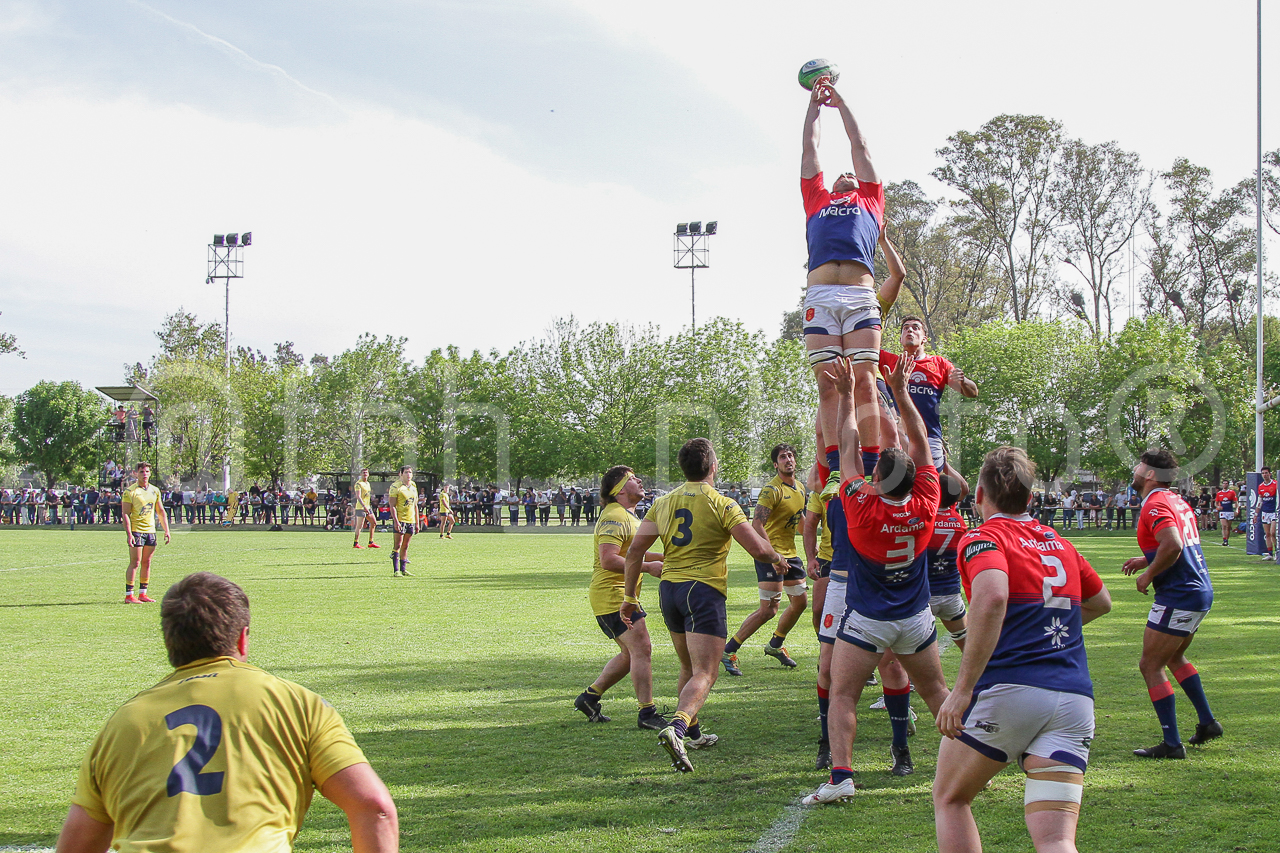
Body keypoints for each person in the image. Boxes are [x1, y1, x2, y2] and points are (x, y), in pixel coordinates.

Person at [55, 572, 398, 853]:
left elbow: (79, 844)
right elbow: (374, 808)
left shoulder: (123, 723)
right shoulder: (296, 704)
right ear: (243, 639)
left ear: (169, 643)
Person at [932, 446, 1112, 853]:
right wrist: (1044, 632)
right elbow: (1101, 603)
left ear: (978, 494)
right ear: (1031, 498)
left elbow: (993, 596)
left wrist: (961, 691)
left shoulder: (983, 537)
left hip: (1009, 691)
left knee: (951, 799)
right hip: (1074, 701)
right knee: (1056, 840)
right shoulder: (1060, 542)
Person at [803, 354, 952, 805]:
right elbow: (921, 443)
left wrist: (848, 395)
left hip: (868, 618)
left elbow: (847, 448)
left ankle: (842, 778)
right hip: (915, 619)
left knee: (844, 694)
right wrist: (903, 393)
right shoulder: (926, 502)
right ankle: (967, 757)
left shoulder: (860, 507)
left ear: (876, 482)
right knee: (937, 692)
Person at [620, 438, 785, 772]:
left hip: (669, 590)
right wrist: (778, 558)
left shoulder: (663, 502)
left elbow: (635, 551)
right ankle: (678, 727)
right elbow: (757, 548)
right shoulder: (722, 503)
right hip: (703, 591)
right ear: (713, 466)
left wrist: (628, 598)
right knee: (706, 672)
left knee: (688, 667)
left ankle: (693, 734)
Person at [800, 78, 906, 501]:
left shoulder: (871, 200)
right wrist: (813, 108)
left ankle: (869, 463)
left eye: (852, 173)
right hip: (821, 298)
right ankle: (830, 468)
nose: (847, 173)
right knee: (828, 385)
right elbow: (809, 149)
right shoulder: (816, 199)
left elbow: (859, 145)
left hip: (861, 297)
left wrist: (840, 104)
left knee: (865, 381)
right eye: (839, 173)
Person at [1122, 449, 1222, 759]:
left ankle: (1172, 744)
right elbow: (1184, 544)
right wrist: (1147, 559)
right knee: (1174, 656)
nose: (1135, 471)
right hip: (1198, 590)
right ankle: (1207, 723)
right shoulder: (1177, 500)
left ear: (1150, 474)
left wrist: (1148, 574)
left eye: (1139, 466)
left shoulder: (1154, 503)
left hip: (1179, 595)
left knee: (1150, 665)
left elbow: (1175, 544)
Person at [575, 465, 668, 731]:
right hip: (611, 595)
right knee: (642, 649)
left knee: (631, 654)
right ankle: (647, 713)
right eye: (632, 478)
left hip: (617, 595)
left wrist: (663, 557)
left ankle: (589, 698)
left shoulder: (628, 516)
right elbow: (609, 559)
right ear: (619, 489)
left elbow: (634, 552)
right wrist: (649, 568)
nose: (639, 480)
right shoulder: (614, 516)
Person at [723, 444, 808, 675]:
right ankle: (729, 650)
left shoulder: (800, 488)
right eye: (782, 457)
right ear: (775, 464)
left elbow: (799, 518)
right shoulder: (771, 490)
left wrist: (813, 542)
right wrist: (772, 556)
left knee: (800, 603)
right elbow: (757, 524)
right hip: (770, 554)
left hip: (791, 554)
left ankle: (775, 644)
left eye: (791, 455)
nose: (788, 459)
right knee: (769, 610)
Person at [878, 316, 979, 484]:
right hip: (897, 436)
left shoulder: (939, 364)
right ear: (901, 338)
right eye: (905, 328)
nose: (910, 330)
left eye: (916, 327)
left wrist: (963, 380)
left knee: (928, 485)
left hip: (929, 437)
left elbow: (972, 392)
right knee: (895, 485)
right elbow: (863, 349)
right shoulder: (889, 361)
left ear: (924, 338)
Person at [928, 474, 970, 653]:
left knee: (910, 648)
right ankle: (986, 674)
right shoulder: (959, 522)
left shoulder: (925, 518)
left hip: (925, 595)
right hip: (951, 592)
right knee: (967, 644)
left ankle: (912, 681)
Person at [121, 462, 171, 604]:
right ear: (136, 473)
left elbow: (160, 511)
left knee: (147, 562)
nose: (144, 474)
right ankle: (129, 595)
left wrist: (166, 530)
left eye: (147, 471)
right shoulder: (130, 491)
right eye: (142, 471)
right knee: (135, 562)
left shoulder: (155, 490)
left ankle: (143, 593)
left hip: (150, 531)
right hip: (137, 531)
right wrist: (129, 534)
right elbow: (125, 514)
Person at [388, 467, 418, 577]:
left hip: (411, 520)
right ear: (400, 474)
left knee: (406, 546)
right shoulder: (396, 487)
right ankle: (396, 570)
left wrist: (417, 522)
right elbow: (392, 505)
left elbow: (415, 505)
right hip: (401, 519)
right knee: (398, 545)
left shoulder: (413, 486)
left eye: (410, 472)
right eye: (406, 472)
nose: (408, 474)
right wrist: (396, 521)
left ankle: (404, 569)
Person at [352, 469, 379, 549]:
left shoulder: (367, 483)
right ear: (361, 474)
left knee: (373, 523)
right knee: (359, 526)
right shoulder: (358, 484)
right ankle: (355, 543)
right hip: (361, 507)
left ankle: (371, 542)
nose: (365, 474)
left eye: (366, 473)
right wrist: (364, 506)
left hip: (368, 507)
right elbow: (358, 496)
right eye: (363, 473)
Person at [1254, 466, 1276, 560]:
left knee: (1273, 533)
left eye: (1266, 473)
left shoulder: (1275, 484)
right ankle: (1270, 553)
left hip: (1274, 512)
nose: (1265, 475)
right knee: (1267, 534)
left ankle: (1277, 552)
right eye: (1263, 473)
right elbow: (1260, 501)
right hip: (1265, 512)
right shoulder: (1261, 486)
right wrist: (1256, 514)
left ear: (1270, 474)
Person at [1215, 482, 1237, 546]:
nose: (1225, 484)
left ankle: (1227, 539)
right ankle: (1224, 540)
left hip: (1229, 511)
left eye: (1226, 483)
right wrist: (1218, 507)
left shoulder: (1232, 492)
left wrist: (1236, 509)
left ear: (1228, 484)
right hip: (1223, 511)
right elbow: (1216, 503)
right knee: (1224, 525)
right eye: (1224, 483)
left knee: (1228, 526)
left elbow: (1236, 501)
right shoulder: (1219, 493)